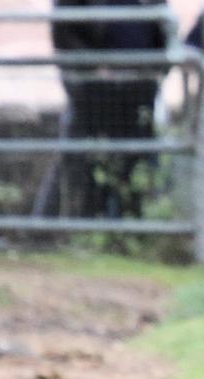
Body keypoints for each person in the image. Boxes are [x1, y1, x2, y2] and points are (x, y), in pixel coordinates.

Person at [51, 0, 172, 219]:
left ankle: (129, 227)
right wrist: (96, 67)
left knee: (135, 161)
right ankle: (71, 225)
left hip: (138, 88)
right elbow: (65, 32)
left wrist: (157, 67)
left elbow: (163, 28)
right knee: (86, 160)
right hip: (94, 90)